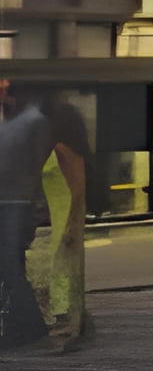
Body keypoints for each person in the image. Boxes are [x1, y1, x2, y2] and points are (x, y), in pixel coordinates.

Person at [35, 96, 89, 353]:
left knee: (62, 264)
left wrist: (72, 222)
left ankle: (64, 318)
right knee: (56, 264)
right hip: (54, 211)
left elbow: (77, 184)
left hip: (64, 210)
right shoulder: (49, 147)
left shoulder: (63, 150)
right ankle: (60, 316)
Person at [0, 84, 50, 350]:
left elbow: (35, 167)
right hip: (7, 202)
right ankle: (18, 326)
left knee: (10, 265)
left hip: (17, 204)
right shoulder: (8, 122)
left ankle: (31, 328)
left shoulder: (34, 121)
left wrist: (35, 208)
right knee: (7, 267)